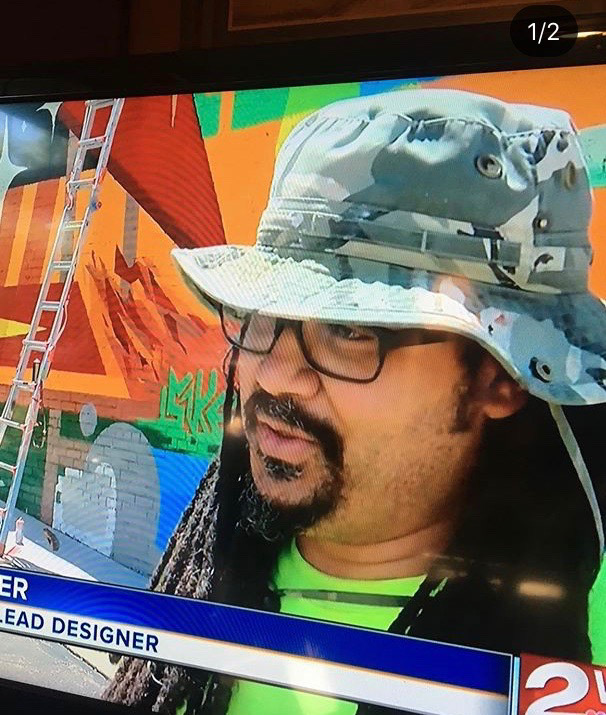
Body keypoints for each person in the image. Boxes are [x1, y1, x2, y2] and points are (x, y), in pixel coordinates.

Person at [105, 88, 606, 714]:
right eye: (262, 314)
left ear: (502, 378)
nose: (275, 375)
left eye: (347, 331)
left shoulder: (571, 648)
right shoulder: (212, 564)